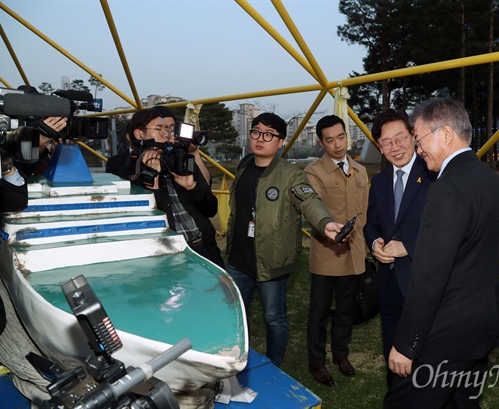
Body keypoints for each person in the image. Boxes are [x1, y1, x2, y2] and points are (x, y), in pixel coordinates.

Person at [384, 97, 499, 408]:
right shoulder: (490, 180)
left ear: (446, 133)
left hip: (445, 334)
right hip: (481, 325)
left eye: (419, 138)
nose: (417, 149)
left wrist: (405, 345)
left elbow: (429, 276)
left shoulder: (448, 187)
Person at [225, 112, 344, 368]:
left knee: (274, 318)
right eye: (256, 132)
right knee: (235, 316)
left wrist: (325, 222)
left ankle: (273, 366)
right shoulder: (244, 165)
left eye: (269, 135)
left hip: (272, 260)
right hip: (238, 260)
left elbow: (309, 200)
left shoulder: (291, 174)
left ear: (280, 142)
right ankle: (236, 361)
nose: (260, 139)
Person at [362, 108, 436, 383]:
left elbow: (445, 230)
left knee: (425, 354)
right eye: (386, 142)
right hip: (388, 282)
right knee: (392, 350)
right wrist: (375, 243)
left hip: (422, 282)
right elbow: (371, 223)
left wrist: (408, 246)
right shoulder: (379, 181)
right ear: (379, 148)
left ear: (413, 136)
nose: (395, 147)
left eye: (400, 138)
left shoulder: (432, 174)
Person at [303, 115, 369, 386]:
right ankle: (316, 361)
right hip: (326, 252)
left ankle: (341, 355)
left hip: (353, 253)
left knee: (345, 310)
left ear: (346, 136)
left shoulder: (360, 171)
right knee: (318, 312)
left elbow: (364, 213)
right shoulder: (313, 172)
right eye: (329, 140)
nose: (337, 144)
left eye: (341, 137)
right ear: (321, 143)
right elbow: (311, 208)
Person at [123, 108, 225, 269]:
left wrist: (192, 188)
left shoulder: (181, 159)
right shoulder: (130, 169)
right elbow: (142, 224)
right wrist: (153, 182)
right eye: (159, 129)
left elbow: (211, 209)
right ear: (139, 134)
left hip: (204, 247)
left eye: (169, 130)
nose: (166, 134)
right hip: (168, 255)